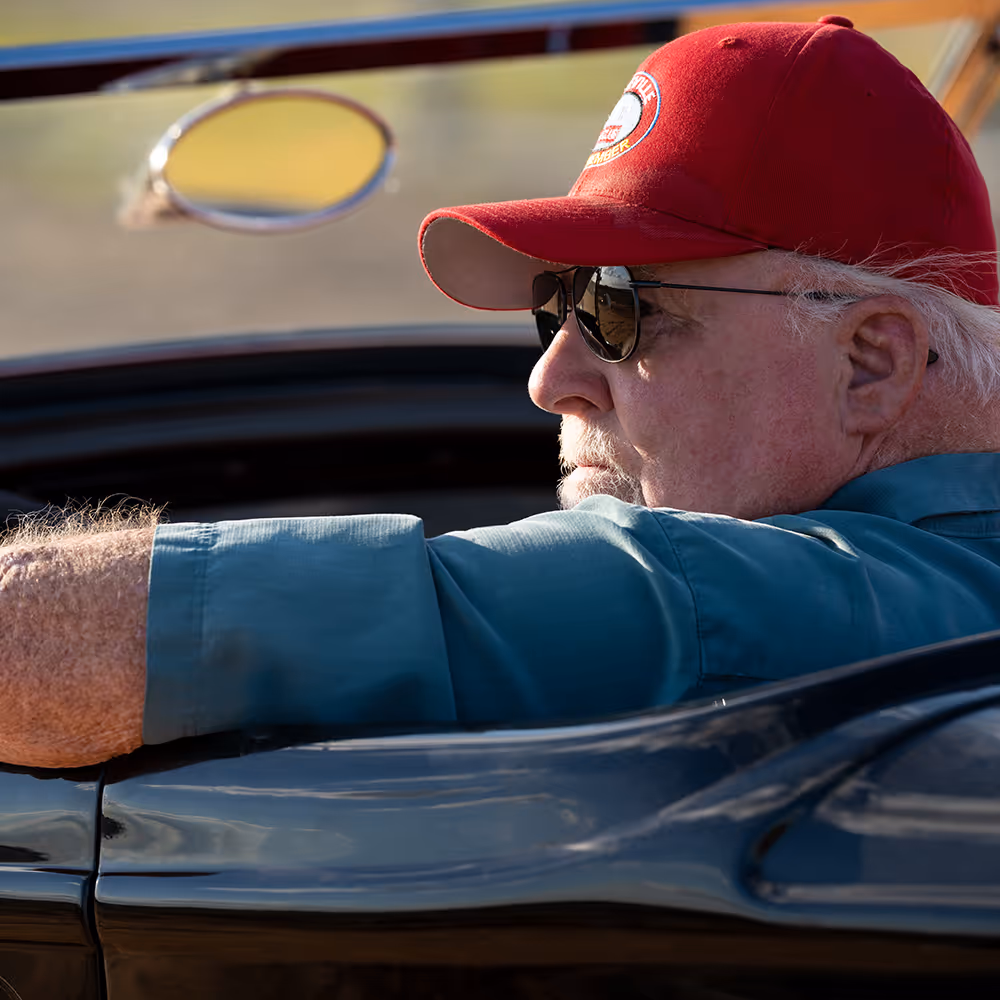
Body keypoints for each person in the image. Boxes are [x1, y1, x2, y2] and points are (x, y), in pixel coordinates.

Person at [5, 15, 1000, 769]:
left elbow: (59, 649)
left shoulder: (765, 600)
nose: (549, 378)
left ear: (872, 362)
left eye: (619, 307)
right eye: (553, 306)